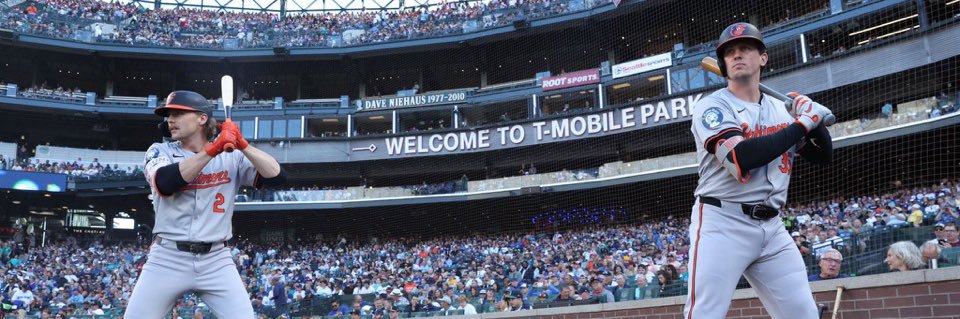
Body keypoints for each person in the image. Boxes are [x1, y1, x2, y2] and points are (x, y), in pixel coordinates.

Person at [686, 22, 833, 319]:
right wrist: (804, 122)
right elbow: (742, 156)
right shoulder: (712, 107)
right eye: (730, 52)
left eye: (746, 49)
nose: (737, 55)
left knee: (803, 313)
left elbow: (822, 156)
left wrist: (814, 123)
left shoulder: (781, 109)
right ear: (724, 64)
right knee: (706, 314)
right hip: (722, 222)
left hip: (772, 228)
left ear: (763, 58)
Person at [125, 91, 287, 319]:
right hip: (168, 257)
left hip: (216, 259)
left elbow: (278, 177)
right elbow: (165, 182)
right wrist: (213, 149)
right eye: (168, 115)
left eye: (178, 113)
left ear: (202, 119)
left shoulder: (232, 155)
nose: (170, 119)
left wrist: (243, 144)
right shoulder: (160, 151)